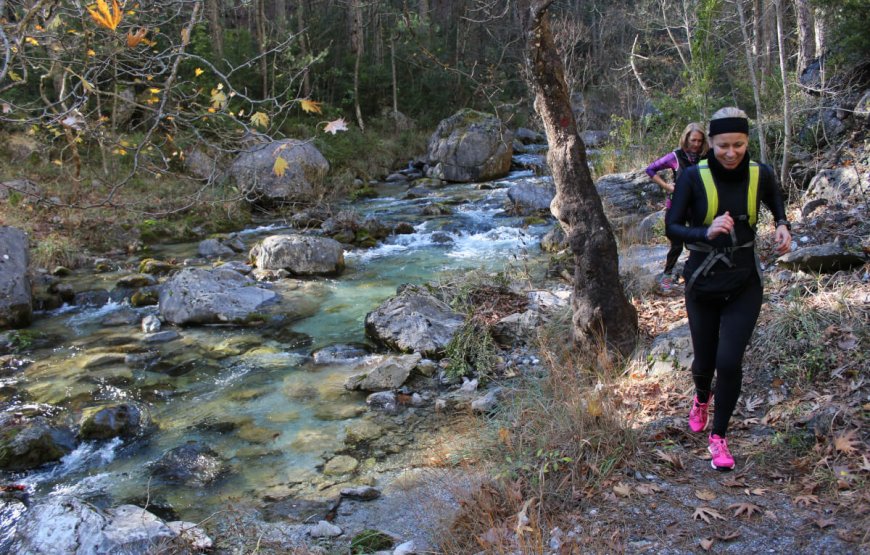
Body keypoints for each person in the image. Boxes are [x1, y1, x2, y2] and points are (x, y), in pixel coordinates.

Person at [665, 107, 791, 471]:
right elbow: (672, 228)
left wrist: (782, 224)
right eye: (723, 145)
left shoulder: (759, 174)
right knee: (704, 362)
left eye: (738, 144)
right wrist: (702, 232)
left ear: (747, 142)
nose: (731, 153)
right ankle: (701, 397)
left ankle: (718, 437)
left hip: (744, 282)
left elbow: (774, 198)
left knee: (729, 361)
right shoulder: (692, 176)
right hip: (702, 282)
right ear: (710, 143)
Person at [645, 123, 708, 292]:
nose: (696, 144)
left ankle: (698, 276)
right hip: (677, 206)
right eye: (693, 140)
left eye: (700, 141)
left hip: (698, 206)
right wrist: (668, 187)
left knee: (700, 241)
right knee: (676, 245)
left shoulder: (706, 156)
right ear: (686, 138)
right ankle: (666, 278)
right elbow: (650, 169)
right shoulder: (676, 156)